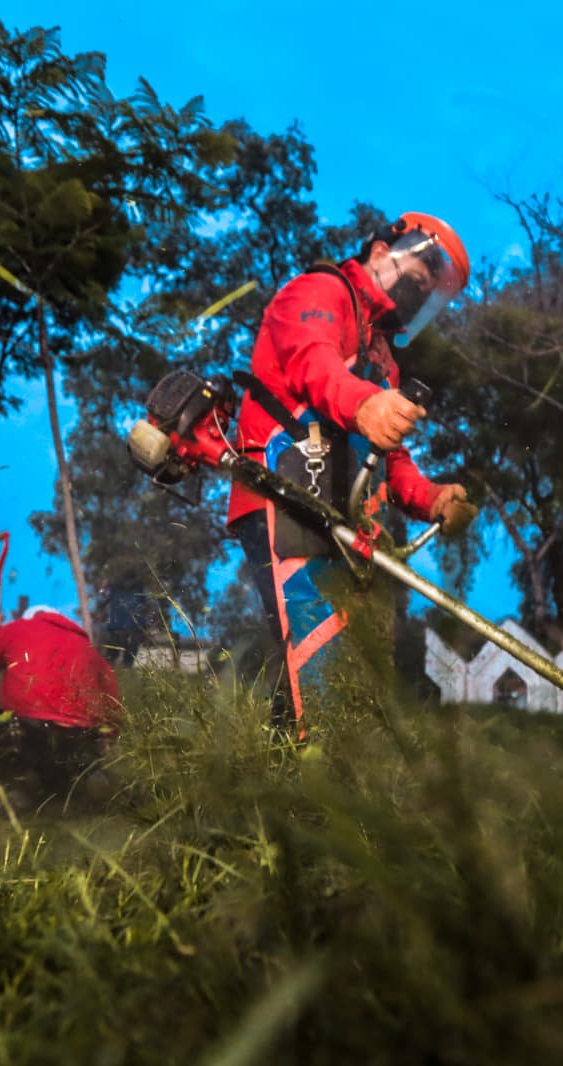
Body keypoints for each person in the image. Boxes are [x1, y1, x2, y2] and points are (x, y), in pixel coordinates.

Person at [227, 212, 478, 738]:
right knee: (306, 656)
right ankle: (289, 786)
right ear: (382, 253)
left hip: (342, 517)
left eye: (434, 289)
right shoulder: (319, 290)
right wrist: (364, 405)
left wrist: (431, 498)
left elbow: (390, 455)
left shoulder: (382, 354)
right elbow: (313, 362)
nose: (425, 289)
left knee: (341, 666)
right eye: (421, 273)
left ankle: (311, 779)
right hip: (284, 497)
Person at [0, 604, 122, 808]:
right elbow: (112, 703)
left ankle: (12, 786)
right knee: (68, 764)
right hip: (80, 739)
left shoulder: (17, 630)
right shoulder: (86, 647)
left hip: (28, 735)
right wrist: (108, 739)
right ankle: (84, 776)